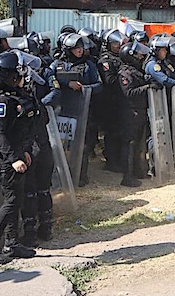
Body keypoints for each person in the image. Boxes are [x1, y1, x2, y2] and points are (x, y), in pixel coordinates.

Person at [0, 52, 37, 264]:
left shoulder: (11, 98)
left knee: (16, 200)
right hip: (4, 158)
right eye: (16, 74)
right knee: (11, 201)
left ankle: (11, 244)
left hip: (14, 154)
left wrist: (24, 152)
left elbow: (17, 131)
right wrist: (13, 158)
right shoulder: (1, 102)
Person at [18, 43, 61, 247]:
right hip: (41, 146)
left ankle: (33, 232)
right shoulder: (33, 103)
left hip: (33, 148)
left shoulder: (22, 103)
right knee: (41, 189)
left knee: (33, 191)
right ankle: (44, 228)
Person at [52, 33, 102, 186]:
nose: (80, 51)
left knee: (81, 145)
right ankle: (61, 176)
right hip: (60, 112)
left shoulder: (88, 65)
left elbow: (99, 85)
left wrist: (84, 88)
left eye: (81, 48)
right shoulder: (57, 64)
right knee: (59, 145)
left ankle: (80, 176)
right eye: (76, 48)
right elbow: (48, 79)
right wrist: (67, 84)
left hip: (81, 111)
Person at [119, 41, 152, 180]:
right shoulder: (125, 73)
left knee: (139, 142)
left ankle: (139, 171)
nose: (140, 56)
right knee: (130, 143)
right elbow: (129, 92)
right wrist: (147, 87)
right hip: (131, 112)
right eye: (138, 54)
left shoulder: (136, 71)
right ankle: (128, 176)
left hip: (140, 110)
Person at [97, 29, 127, 174]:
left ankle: (120, 159)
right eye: (114, 43)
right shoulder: (106, 60)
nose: (118, 45)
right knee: (112, 132)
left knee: (121, 131)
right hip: (110, 102)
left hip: (121, 101)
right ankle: (111, 161)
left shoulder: (120, 57)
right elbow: (109, 80)